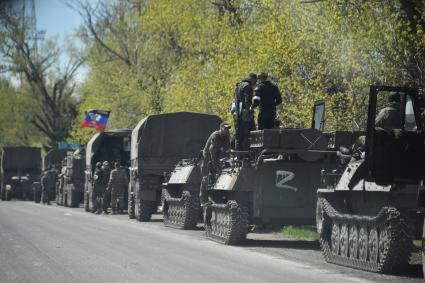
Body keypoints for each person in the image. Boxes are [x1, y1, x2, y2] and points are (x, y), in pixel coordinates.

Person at [199, 122, 231, 205]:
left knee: (220, 174)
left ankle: (216, 197)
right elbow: (212, 151)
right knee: (206, 177)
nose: (227, 130)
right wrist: (216, 166)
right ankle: (203, 200)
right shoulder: (215, 135)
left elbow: (227, 148)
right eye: (225, 128)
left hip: (218, 156)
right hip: (208, 157)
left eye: (228, 128)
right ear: (220, 128)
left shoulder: (226, 136)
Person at [232, 73, 257, 150]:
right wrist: (250, 111)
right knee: (249, 134)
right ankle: (247, 154)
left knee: (238, 135)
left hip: (236, 112)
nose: (255, 83)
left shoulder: (238, 85)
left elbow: (235, 100)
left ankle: (237, 155)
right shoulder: (248, 86)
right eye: (255, 81)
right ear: (252, 79)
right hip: (244, 114)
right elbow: (247, 101)